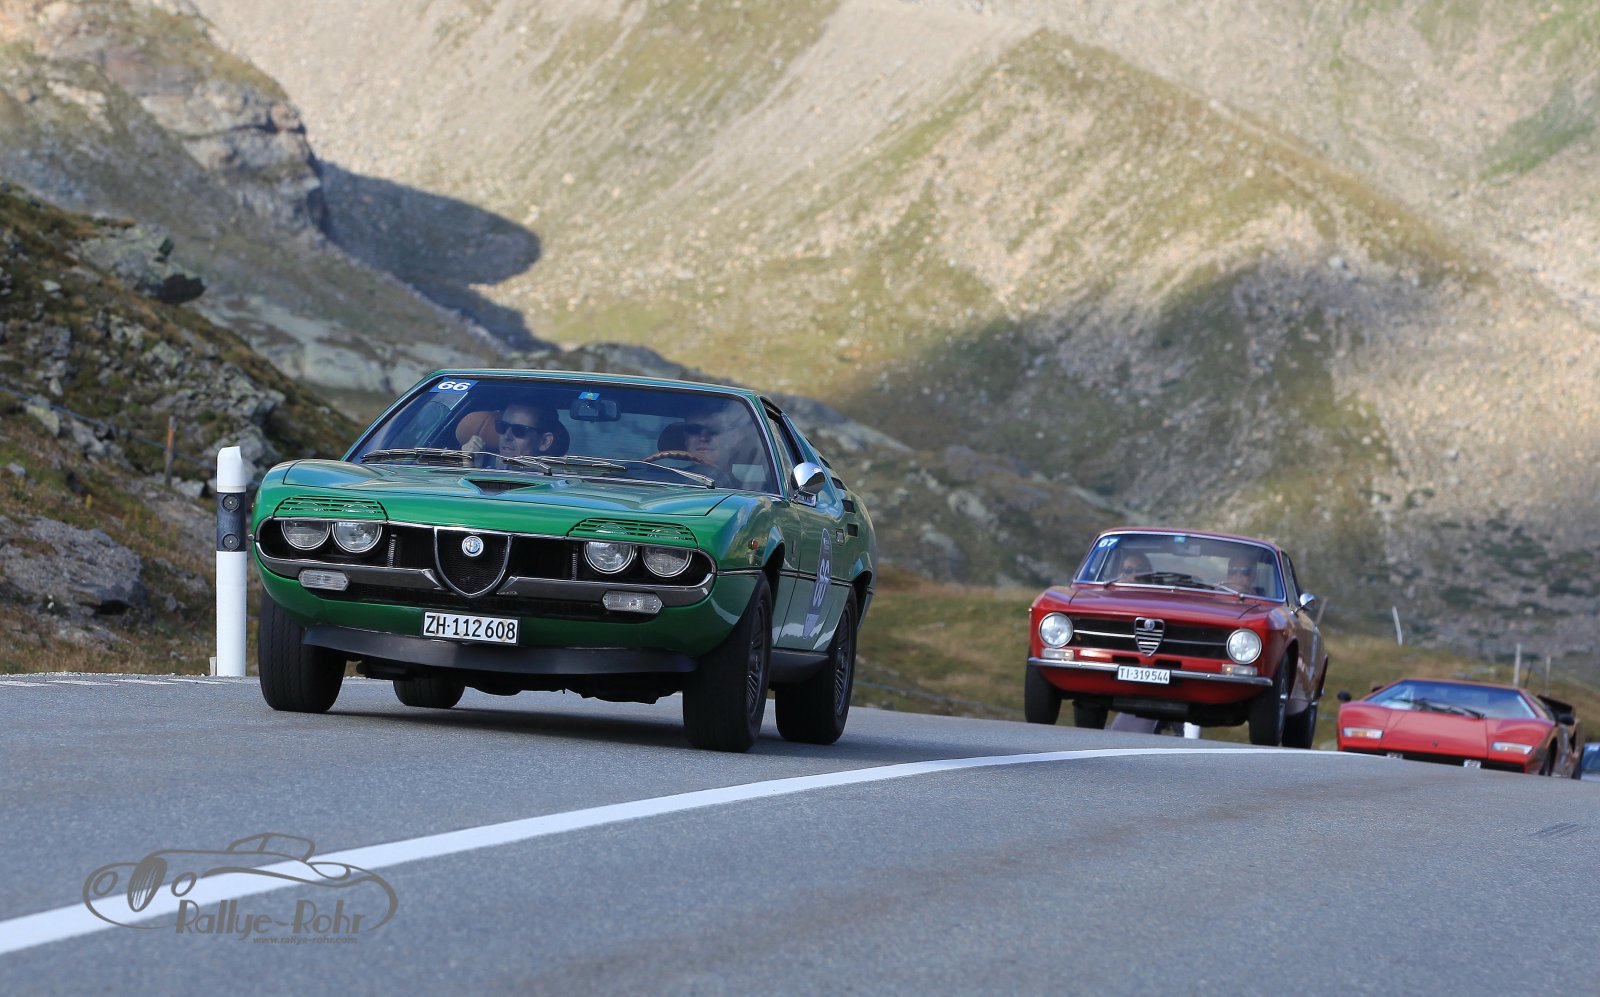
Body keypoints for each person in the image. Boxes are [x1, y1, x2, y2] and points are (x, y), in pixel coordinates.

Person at [461, 402, 566, 460]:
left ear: (544, 442)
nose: (507, 436)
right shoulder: (480, 463)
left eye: (519, 430)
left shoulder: (559, 484)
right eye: (503, 426)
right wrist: (468, 467)